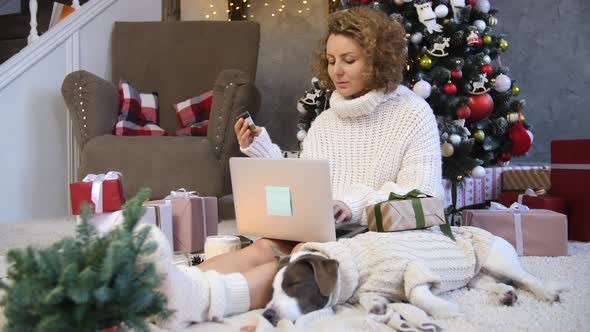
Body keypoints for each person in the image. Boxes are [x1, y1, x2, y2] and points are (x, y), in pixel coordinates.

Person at [155, 7, 444, 329]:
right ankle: (169, 285)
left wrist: (352, 205)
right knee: (266, 245)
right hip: (328, 228)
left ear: (379, 59)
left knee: (306, 254)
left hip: (377, 234)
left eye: (349, 60)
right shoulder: (326, 121)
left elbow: (423, 193)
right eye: (332, 61)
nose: (337, 71)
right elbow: (304, 187)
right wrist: (261, 149)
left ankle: (204, 298)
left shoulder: (413, 113)